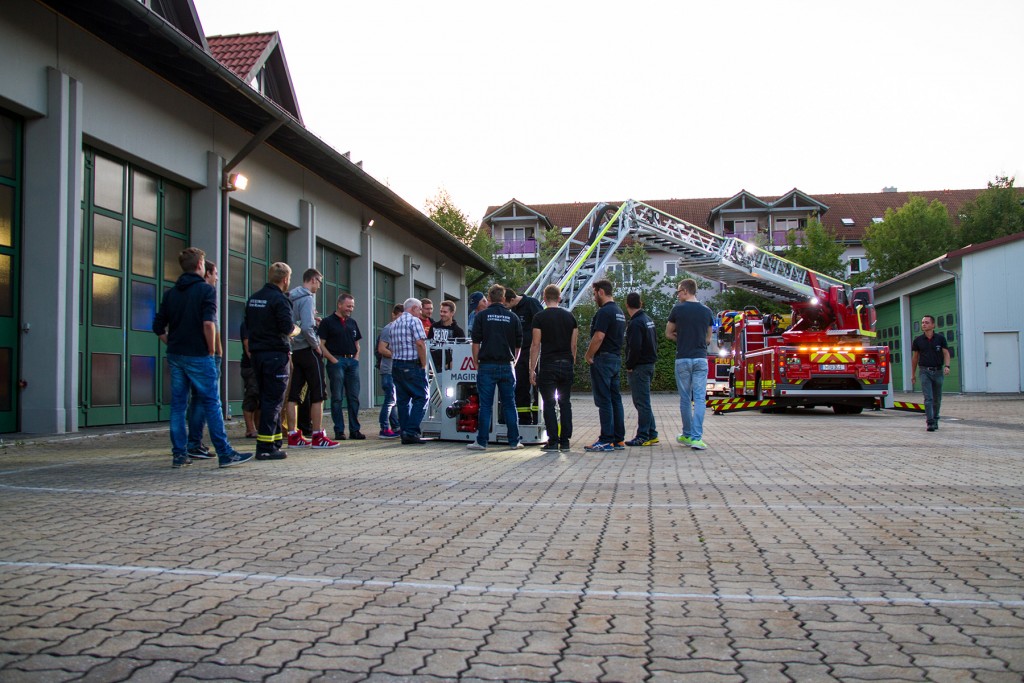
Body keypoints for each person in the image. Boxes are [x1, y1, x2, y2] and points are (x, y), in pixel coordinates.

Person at [152, 247, 252, 469]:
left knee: (178, 405)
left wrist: (172, 342)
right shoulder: (206, 291)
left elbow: (158, 326)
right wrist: (210, 349)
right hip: (199, 355)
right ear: (199, 265)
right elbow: (208, 324)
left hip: (176, 355)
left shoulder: (171, 294)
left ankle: (180, 454)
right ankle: (225, 453)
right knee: (211, 403)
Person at [245, 262, 296, 461]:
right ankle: (265, 447)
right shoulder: (280, 300)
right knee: (274, 401)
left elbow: (248, 324)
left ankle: (274, 442)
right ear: (285, 279)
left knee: (265, 397)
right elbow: (286, 327)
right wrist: (296, 330)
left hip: (257, 354)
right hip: (275, 354)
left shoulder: (254, 298)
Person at [285, 269, 339, 449]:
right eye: (319, 282)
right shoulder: (307, 297)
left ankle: (292, 434)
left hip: (295, 349)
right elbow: (307, 327)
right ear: (313, 280)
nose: (319, 286)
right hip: (308, 350)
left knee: (293, 394)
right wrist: (317, 346)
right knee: (318, 393)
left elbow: (294, 323)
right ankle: (318, 435)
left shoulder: (290, 296)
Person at [467, 284, 523, 451]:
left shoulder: (482, 316)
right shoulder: (513, 318)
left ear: (489, 298)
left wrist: (476, 361)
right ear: (504, 299)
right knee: (509, 404)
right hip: (507, 365)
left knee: (485, 405)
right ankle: (514, 441)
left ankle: (481, 442)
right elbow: (519, 345)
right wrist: (514, 361)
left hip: (487, 365)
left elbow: (475, 342)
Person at [666, 278, 714, 451]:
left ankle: (686, 434)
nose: (678, 294)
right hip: (701, 358)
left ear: (686, 291)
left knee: (685, 398)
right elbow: (709, 338)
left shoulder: (677, 309)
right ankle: (697, 437)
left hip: (683, 358)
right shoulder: (707, 311)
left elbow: (668, 333)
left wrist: (682, 338)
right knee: (700, 398)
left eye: (679, 291)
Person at [529, 283, 578, 452]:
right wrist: (572, 364)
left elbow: (535, 345)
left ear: (544, 299)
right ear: (559, 298)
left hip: (548, 364)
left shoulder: (539, 318)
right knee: (565, 403)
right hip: (566, 363)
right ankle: (565, 441)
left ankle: (552, 441)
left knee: (549, 403)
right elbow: (574, 346)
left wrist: (532, 369)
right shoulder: (570, 317)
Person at [183, 259, 222, 459]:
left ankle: (188, 445)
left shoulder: (185, 292)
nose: (216, 277)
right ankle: (196, 444)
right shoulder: (206, 293)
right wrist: (214, 350)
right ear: (205, 272)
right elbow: (210, 324)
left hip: (187, 352)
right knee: (206, 401)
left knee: (187, 401)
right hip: (205, 354)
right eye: (214, 273)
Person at [583, 279, 627, 452]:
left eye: (594, 294)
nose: (594, 298)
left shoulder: (605, 312)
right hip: (615, 359)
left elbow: (599, 336)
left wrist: (589, 354)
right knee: (615, 399)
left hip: (603, 359)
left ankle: (606, 439)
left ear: (600, 291)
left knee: (604, 400)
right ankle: (618, 439)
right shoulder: (619, 311)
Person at [318, 292, 364, 441]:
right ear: (339, 304)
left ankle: (355, 430)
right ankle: (339, 431)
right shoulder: (327, 322)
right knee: (337, 397)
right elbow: (321, 344)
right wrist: (332, 359)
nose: (350, 309)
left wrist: (356, 358)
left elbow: (357, 344)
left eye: (352, 306)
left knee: (354, 397)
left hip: (352, 363)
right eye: (348, 306)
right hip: (336, 362)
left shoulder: (352, 322)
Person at [391, 298, 430, 444]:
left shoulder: (394, 324)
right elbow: (420, 343)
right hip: (412, 365)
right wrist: (424, 364)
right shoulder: (414, 321)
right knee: (422, 397)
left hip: (396, 365)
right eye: (420, 309)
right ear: (414, 308)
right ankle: (412, 431)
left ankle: (404, 432)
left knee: (403, 400)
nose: (421, 312)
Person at [624, 291, 659, 447]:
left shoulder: (635, 323)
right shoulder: (648, 320)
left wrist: (630, 365)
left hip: (640, 367)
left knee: (641, 402)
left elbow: (635, 347)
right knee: (643, 401)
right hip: (650, 364)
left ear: (627, 305)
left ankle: (643, 435)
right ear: (641, 303)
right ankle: (652, 433)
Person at [504, 287, 544, 425]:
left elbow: (541, 323)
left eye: (506, 304)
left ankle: (538, 417)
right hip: (520, 354)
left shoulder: (531, 304)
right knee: (521, 386)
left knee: (536, 385)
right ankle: (524, 419)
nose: (505, 307)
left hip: (533, 351)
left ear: (512, 299)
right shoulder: (513, 310)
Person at [911, 314, 951, 432]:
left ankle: (936, 418)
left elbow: (946, 353)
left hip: (938, 371)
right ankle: (930, 422)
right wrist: (913, 374)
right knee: (928, 398)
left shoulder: (940, 339)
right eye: (923, 322)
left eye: (927, 322)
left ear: (933, 325)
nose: (924, 324)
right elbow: (915, 358)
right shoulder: (918, 340)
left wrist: (947, 366)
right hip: (924, 371)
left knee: (937, 398)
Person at [374, 304, 404, 438]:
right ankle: (384, 428)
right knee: (390, 400)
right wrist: (398, 355)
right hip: (388, 370)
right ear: (393, 315)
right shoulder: (388, 329)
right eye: (399, 316)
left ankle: (395, 427)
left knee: (394, 400)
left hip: (395, 370)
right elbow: (381, 349)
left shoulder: (400, 329)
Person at [427, 299, 465, 371]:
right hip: (432, 366)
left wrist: (452, 363)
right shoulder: (434, 326)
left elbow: (462, 350)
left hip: (449, 368)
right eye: (441, 311)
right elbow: (428, 344)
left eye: (445, 312)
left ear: (452, 313)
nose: (442, 314)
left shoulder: (458, 331)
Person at [239, 319, 260, 438]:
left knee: (260, 397)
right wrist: (255, 362)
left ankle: (258, 427)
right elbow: (247, 345)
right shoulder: (247, 324)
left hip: (260, 365)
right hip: (250, 366)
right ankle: (250, 429)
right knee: (252, 395)